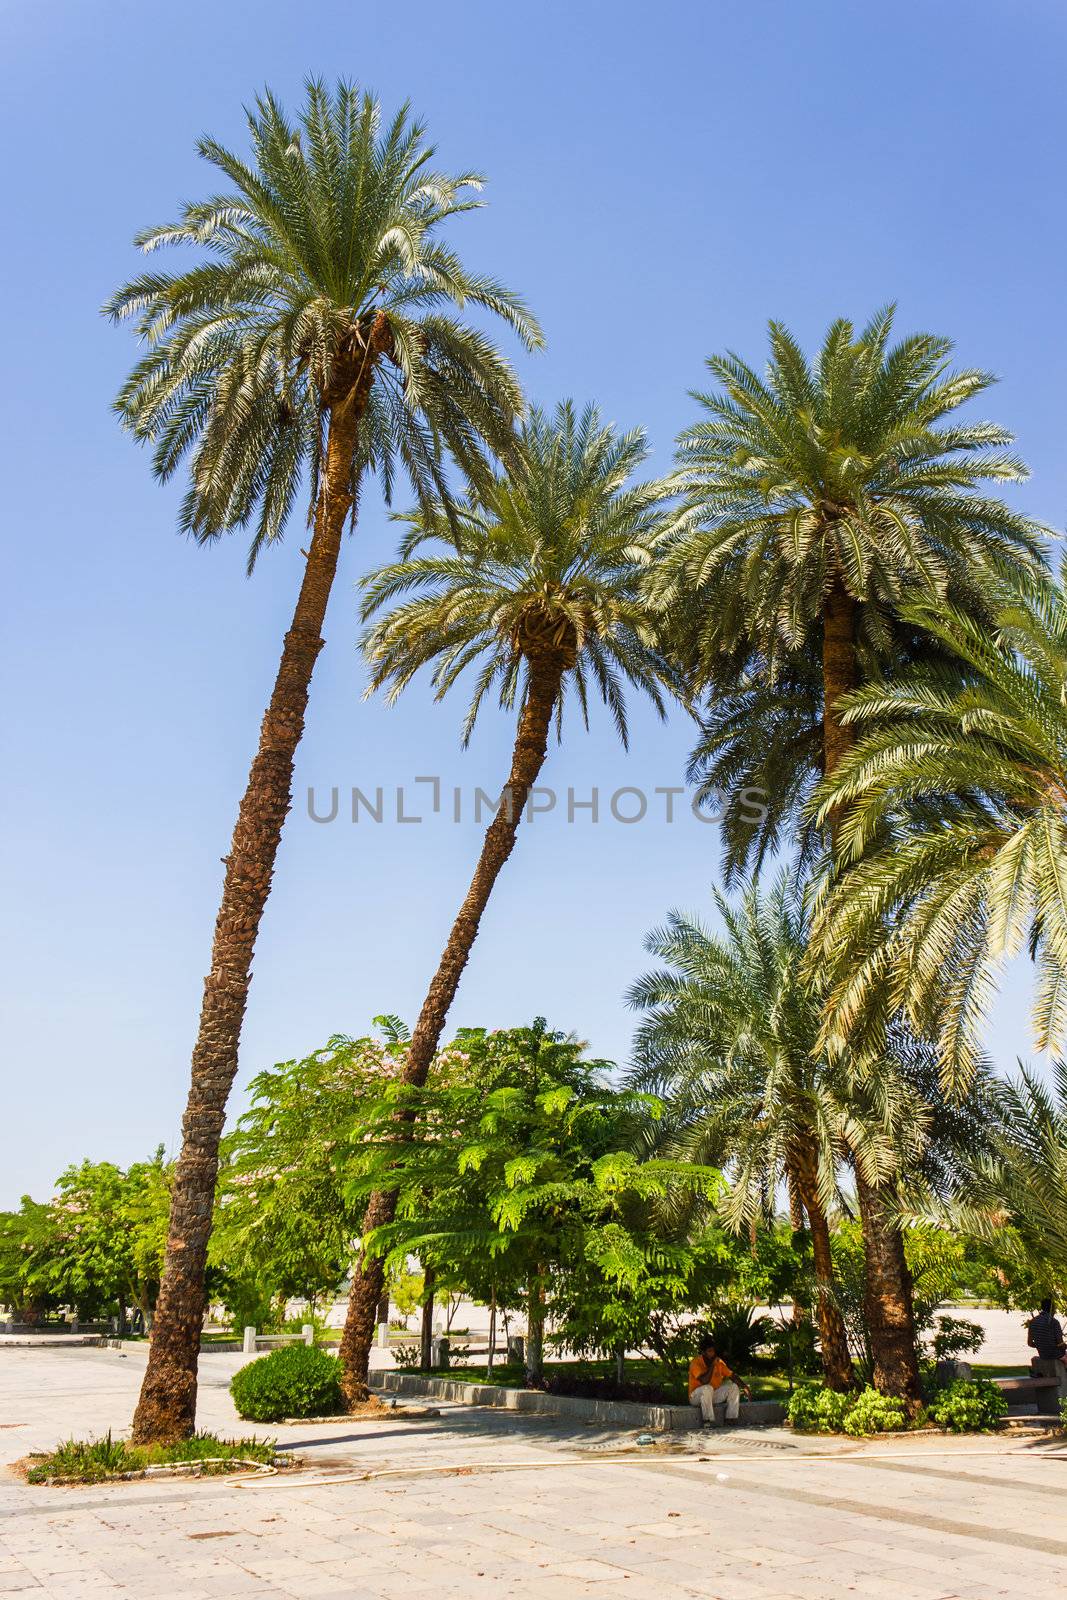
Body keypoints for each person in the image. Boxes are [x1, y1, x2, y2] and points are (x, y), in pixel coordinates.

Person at [688, 1336, 749, 1426]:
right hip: (695, 1397)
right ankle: (708, 1421)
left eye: (713, 1351)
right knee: (707, 1388)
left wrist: (744, 1387)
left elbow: (732, 1375)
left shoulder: (718, 1362)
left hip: (712, 1394)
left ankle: (731, 1419)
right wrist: (712, 1366)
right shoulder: (695, 1363)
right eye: (709, 1351)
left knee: (734, 1387)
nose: (712, 1353)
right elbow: (704, 1380)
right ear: (703, 1352)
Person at [1027, 1298, 1067, 1401]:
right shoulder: (1054, 1322)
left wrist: (1041, 1345)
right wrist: (1065, 1346)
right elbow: (1060, 1343)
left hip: (1043, 1354)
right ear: (1052, 1309)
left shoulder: (1032, 1322)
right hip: (1056, 1354)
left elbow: (1030, 1343)